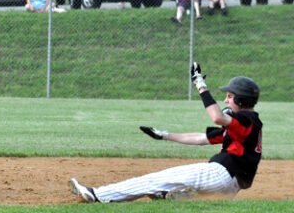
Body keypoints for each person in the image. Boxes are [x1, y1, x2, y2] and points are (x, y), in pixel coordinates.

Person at [69, 62, 262, 203]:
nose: (226, 101)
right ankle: (176, 196)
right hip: (230, 186)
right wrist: (165, 135)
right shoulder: (245, 127)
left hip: (218, 174)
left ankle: (98, 195)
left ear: (242, 101)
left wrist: (200, 84)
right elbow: (201, 138)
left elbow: (217, 117)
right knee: (168, 190)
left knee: (154, 179)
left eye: (230, 97)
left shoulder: (246, 120)